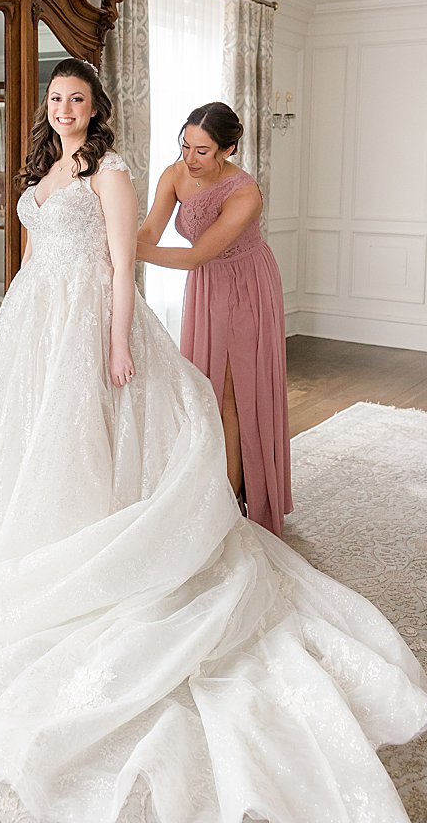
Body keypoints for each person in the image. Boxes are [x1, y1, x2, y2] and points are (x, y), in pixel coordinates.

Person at [0, 59, 427, 823]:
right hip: (37, 319)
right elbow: (36, 252)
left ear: (97, 105)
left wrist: (115, 342)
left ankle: (104, 548)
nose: (65, 107)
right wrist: (14, 314)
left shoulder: (111, 169)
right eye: (56, 98)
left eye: (77, 97)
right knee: (22, 443)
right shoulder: (43, 164)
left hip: (88, 319)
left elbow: (119, 261)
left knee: (94, 437)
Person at [136, 101, 292, 534]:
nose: (189, 158)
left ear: (229, 150)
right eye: (185, 145)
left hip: (246, 286)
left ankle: (230, 508)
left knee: (231, 396)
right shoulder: (175, 174)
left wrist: (121, 249)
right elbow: (150, 232)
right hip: (206, 287)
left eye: (202, 151)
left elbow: (197, 255)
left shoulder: (245, 193)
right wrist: (121, 237)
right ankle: (209, 493)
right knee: (201, 389)